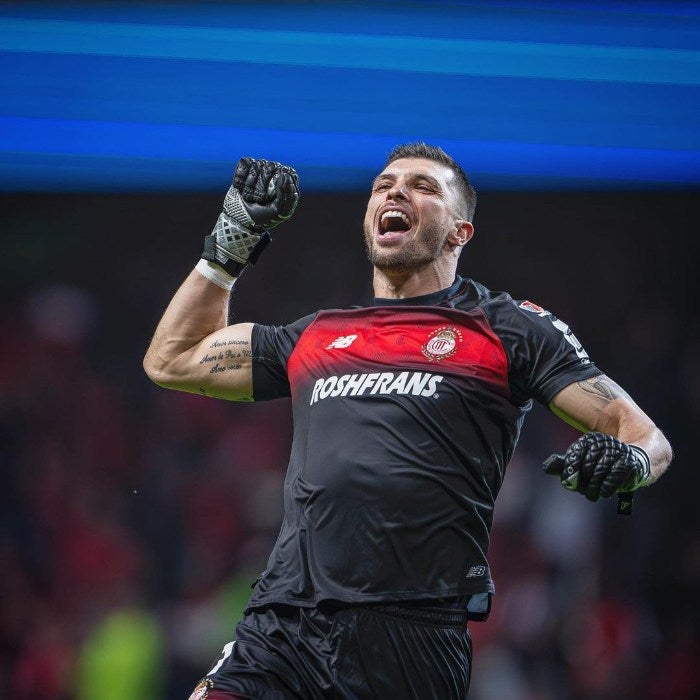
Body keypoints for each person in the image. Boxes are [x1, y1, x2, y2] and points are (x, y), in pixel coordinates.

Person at [143, 145, 672, 699]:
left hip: (409, 636)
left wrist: (630, 462)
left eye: (423, 186)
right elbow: (172, 359)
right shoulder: (316, 334)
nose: (395, 192)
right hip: (282, 625)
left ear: (459, 232)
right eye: (383, 184)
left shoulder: (508, 329)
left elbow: (643, 435)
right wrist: (232, 237)